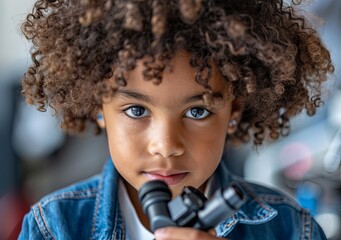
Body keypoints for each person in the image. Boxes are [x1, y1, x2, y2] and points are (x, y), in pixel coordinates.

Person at [18, 0, 334, 239]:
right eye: (136, 110)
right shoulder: (53, 226)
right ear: (99, 108)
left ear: (233, 112)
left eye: (198, 111)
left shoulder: (290, 227)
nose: (166, 147)